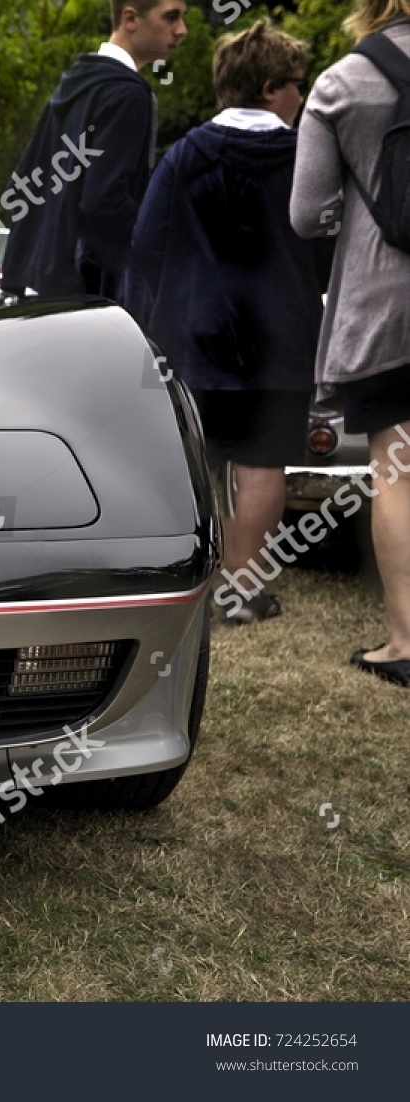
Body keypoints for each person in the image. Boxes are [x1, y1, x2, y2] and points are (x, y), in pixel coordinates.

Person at [127, 19, 319, 625]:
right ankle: (245, 593)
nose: (303, 96)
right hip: (281, 336)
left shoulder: (185, 154)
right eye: (296, 83)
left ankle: (196, 587)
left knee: (198, 462)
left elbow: (145, 242)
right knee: (263, 462)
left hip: (195, 334)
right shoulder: (303, 155)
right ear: (268, 87)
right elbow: (326, 243)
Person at [291, 0, 410, 685]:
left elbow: (307, 215)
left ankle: (403, 643)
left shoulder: (341, 82)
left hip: (386, 309)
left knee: (397, 472)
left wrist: (365, 209)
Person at [0, 1, 189, 300]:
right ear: (130, 18)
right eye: (171, 17)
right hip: (82, 297)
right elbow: (103, 202)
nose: (182, 30)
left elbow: (22, 184)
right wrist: (164, 240)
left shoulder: (76, 82)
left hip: (33, 281)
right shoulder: (128, 94)